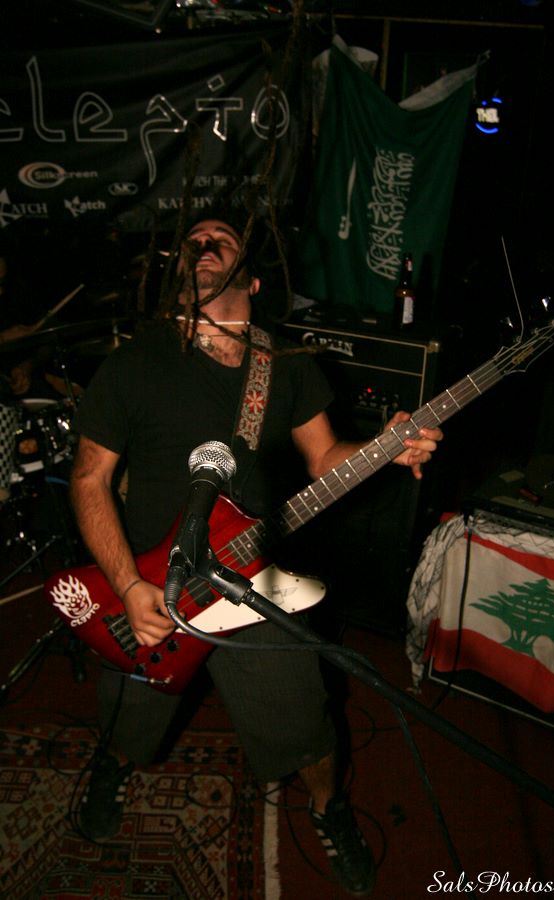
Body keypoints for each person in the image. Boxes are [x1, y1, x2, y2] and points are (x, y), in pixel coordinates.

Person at [69, 213, 442, 896]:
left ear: (256, 277)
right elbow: (90, 478)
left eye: (222, 239)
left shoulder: (286, 364)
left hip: (252, 580)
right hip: (150, 588)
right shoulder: (134, 363)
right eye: (192, 241)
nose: (204, 245)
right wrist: (124, 584)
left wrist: (387, 447)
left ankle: (328, 808)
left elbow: (325, 459)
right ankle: (113, 766)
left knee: (306, 726)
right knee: (127, 718)